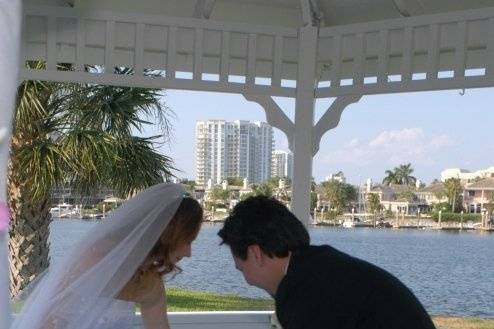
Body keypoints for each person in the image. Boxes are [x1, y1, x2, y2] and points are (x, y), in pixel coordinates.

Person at [218, 196, 436, 329]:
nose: (245, 279)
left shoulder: (304, 293)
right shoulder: (319, 269)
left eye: (241, 268)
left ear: (256, 254)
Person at [11, 183, 203, 329]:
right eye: (188, 241)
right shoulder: (92, 261)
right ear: (168, 233)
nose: (189, 252)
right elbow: (46, 320)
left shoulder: (150, 284)